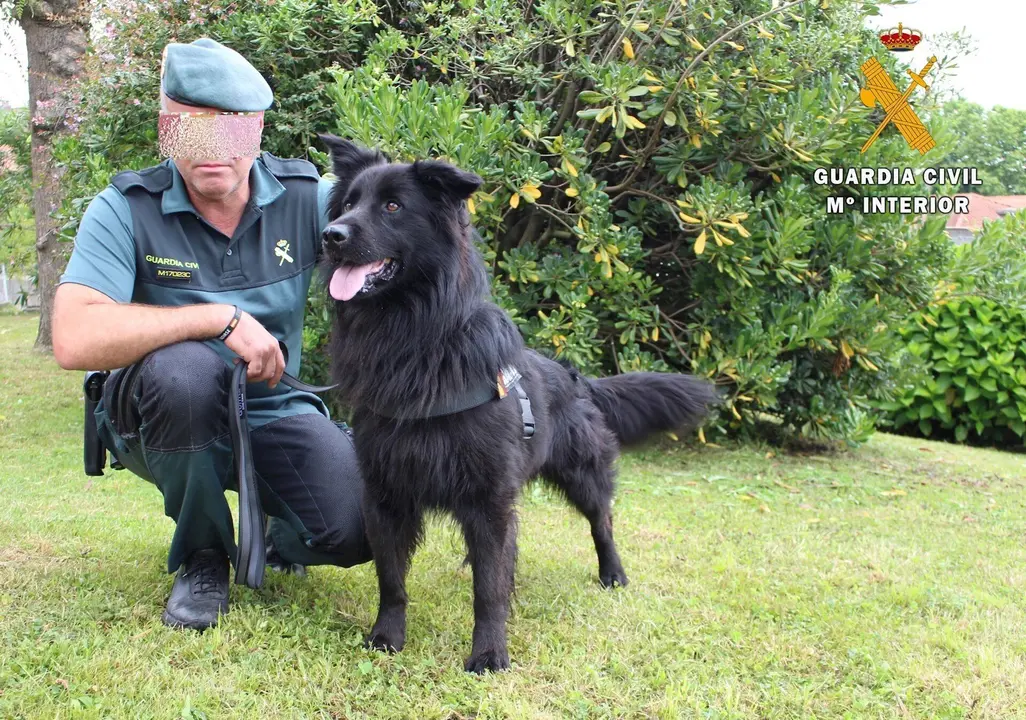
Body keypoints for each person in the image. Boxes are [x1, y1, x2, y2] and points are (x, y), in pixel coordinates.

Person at [52, 38, 372, 631]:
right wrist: (214, 320)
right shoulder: (126, 207)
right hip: (159, 411)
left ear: (256, 131)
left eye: (230, 132)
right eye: (192, 132)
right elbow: (73, 337)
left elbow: (400, 230)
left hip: (274, 407)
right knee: (188, 370)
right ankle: (203, 556)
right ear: (166, 130)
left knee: (357, 527)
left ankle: (280, 529)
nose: (211, 153)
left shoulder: (310, 199)